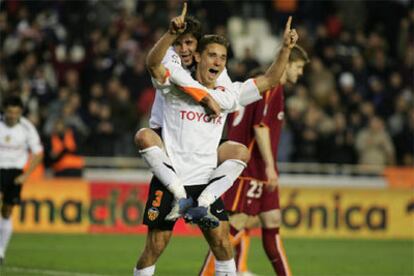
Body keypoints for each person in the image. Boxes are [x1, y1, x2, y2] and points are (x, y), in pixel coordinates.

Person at [134, 4, 298, 275]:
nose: (217, 62)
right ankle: (181, 198)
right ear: (197, 57)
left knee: (223, 244)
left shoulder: (228, 94)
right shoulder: (174, 89)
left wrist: (285, 50)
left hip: (204, 180)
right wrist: (169, 34)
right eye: (211, 55)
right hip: (172, 176)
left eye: (222, 58)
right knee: (155, 246)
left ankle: (202, 203)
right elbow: (153, 63)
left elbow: (269, 80)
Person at [200, 45, 310, 276]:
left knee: (271, 220)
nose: (299, 73)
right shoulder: (270, 87)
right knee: (236, 224)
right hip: (251, 168)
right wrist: (270, 167)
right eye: (298, 67)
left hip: (254, 165)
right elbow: (260, 127)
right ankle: (208, 273)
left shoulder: (258, 84)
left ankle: (240, 269)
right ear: (286, 63)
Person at [0, 96, 43, 265]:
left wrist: (26, 174)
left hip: (15, 173)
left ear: (20, 112)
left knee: (6, 211)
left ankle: (1, 251)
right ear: (4, 110)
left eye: (15, 112)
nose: (12, 116)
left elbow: (38, 153)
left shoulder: (26, 127)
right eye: (9, 112)